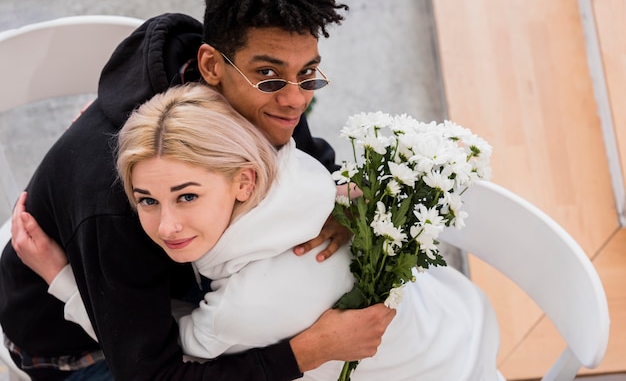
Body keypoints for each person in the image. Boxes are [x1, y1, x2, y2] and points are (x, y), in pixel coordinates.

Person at [0, 0, 395, 380]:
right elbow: (154, 374)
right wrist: (308, 352)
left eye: (307, 73)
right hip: (77, 346)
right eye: (268, 75)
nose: (295, 101)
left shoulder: (257, 99)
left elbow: (317, 163)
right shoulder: (121, 200)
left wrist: (341, 205)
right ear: (210, 66)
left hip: (169, 278)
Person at [16, 83, 503, 381]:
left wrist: (63, 281)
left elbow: (161, 357)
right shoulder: (304, 170)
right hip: (458, 326)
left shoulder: (246, 308)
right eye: (147, 199)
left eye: (187, 196)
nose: (166, 226)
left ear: (244, 180)